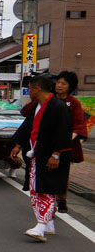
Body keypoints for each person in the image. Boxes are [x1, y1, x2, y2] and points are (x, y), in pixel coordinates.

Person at [10, 74, 72, 241]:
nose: (28, 91)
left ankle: (41, 226)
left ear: (37, 88)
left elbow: (64, 132)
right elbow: (27, 127)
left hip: (51, 155)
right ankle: (48, 223)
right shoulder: (38, 106)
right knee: (37, 188)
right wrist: (18, 144)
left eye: (30, 88)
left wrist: (56, 155)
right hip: (38, 154)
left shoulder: (58, 107)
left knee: (44, 190)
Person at [53, 70, 87, 213]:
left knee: (63, 172)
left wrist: (65, 141)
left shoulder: (73, 103)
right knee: (48, 172)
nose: (59, 86)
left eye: (64, 83)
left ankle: (61, 199)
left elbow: (79, 124)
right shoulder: (49, 99)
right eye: (58, 82)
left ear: (70, 87)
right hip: (48, 142)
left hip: (67, 144)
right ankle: (49, 203)